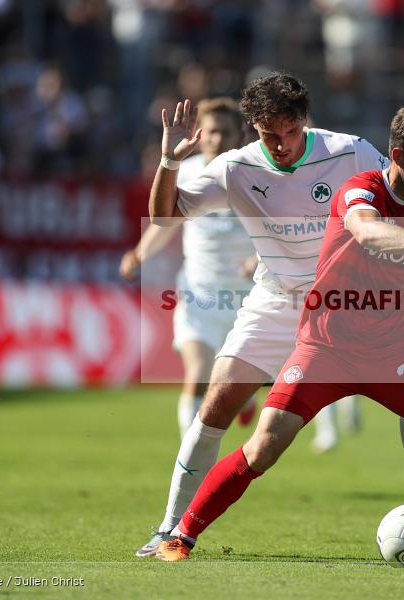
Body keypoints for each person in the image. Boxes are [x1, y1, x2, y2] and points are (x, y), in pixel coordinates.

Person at [142, 72, 404, 559]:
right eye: (268, 133)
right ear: (253, 127)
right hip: (282, 302)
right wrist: (167, 160)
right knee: (218, 407)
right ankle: (169, 529)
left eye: (289, 131)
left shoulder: (348, 151)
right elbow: (163, 217)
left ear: (304, 122)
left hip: (363, 308)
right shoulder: (235, 167)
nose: (280, 144)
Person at [120, 97, 259, 440]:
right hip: (199, 292)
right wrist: (139, 254)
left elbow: (276, 229)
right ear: (200, 132)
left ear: (241, 133)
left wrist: (259, 259)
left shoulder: (255, 173)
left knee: (233, 380)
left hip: (248, 296)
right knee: (198, 371)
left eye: (225, 132)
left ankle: (247, 397)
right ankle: (190, 454)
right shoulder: (190, 170)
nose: (216, 139)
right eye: (211, 132)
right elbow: (165, 220)